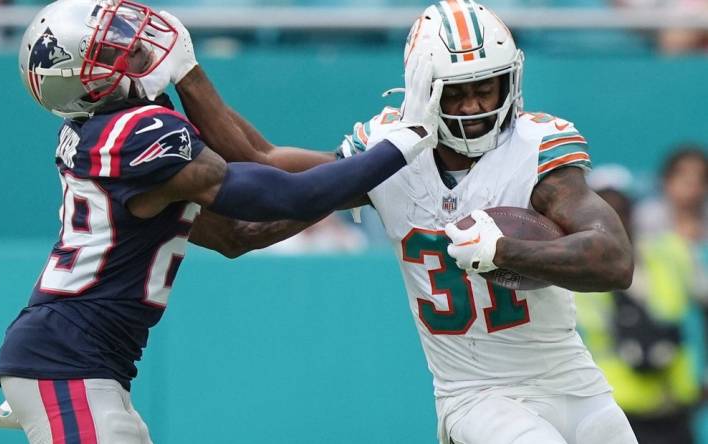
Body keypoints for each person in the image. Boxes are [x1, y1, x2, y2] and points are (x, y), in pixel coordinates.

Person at [170, 1, 638, 443]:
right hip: (476, 395)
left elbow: (614, 261)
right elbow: (259, 168)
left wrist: (503, 251)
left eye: (485, 88)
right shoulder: (389, 152)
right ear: (423, 88)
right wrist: (184, 74)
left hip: (573, 381)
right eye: (458, 92)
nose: (476, 108)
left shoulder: (536, 149)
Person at [0, 0, 443, 442]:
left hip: (80, 362)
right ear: (86, 84)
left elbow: (235, 235)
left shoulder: (116, 136)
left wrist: (353, 170)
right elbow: (284, 192)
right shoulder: (135, 135)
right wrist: (397, 148)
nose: (134, 43)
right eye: (110, 49)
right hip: (67, 362)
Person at [577, 165, 701, 444]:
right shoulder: (571, 269)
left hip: (675, 402)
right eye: (604, 209)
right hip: (616, 408)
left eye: (621, 208)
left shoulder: (669, 252)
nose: (614, 218)